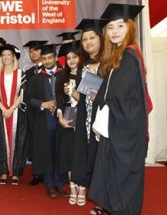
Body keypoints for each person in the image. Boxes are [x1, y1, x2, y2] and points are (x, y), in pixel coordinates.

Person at [89, 3, 151, 215]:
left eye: (120, 26)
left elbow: (118, 97)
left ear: (131, 29)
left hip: (125, 129)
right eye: (111, 27)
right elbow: (108, 94)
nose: (114, 31)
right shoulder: (119, 56)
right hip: (115, 125)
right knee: (114, 171)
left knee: (123, 174)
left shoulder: (129, 57)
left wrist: (100, 121)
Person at [71, 18, 108, 213]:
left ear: (101, 38)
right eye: (84, 40)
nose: (88, 42)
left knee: (105, 160)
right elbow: (84, 96)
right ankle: (100, 200)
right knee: (92, 158)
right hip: (87, 120)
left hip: (106, 119)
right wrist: (72, 92)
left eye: (91, 38)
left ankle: (105, 203)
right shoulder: (84, 67)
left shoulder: (110, 63)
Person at [26, 43, 67, 198]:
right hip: (45, 122)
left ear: (56, 58)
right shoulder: (37, 78)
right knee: (47, 153)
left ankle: (60, 184)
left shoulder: (64, 75)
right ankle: (50, 184)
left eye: (50, 58)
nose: (48, 61)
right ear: (41, 59)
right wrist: (43, 104)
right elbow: (29, 99)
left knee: (60, 152)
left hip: (62, 121)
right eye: (45, 58)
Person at [0, 44, 27, 186]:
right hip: (0, 113)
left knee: (18, 142)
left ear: (13, 57)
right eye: (3, 55)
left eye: (8, 55)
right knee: (0, 142)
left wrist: (11, 108)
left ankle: (15, 172)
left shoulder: (21, 74)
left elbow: (22, 94)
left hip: (16, 112)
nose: (6, 57)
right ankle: (4, 171)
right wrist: (3, 108)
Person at [54, 40, 83, 205]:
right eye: (69, 58)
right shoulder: (61, 76)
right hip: (68, 114)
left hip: (84, 116)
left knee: (81, 153)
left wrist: (74, 92)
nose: (71, 60)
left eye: (75, 57)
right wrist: (60, 117)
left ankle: (82, 187)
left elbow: (91, 100)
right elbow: (58, 99)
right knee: (69, 153)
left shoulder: (86, 74)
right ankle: (73, 187)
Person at [23, 40, 47, 186]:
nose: (33, 53)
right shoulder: (28, 73)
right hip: (32, 112)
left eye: (37, 50)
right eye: (31, 51)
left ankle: (50, 173)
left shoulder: (50, 69)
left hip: (47, 112)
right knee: (35, 143)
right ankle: (38, 173)